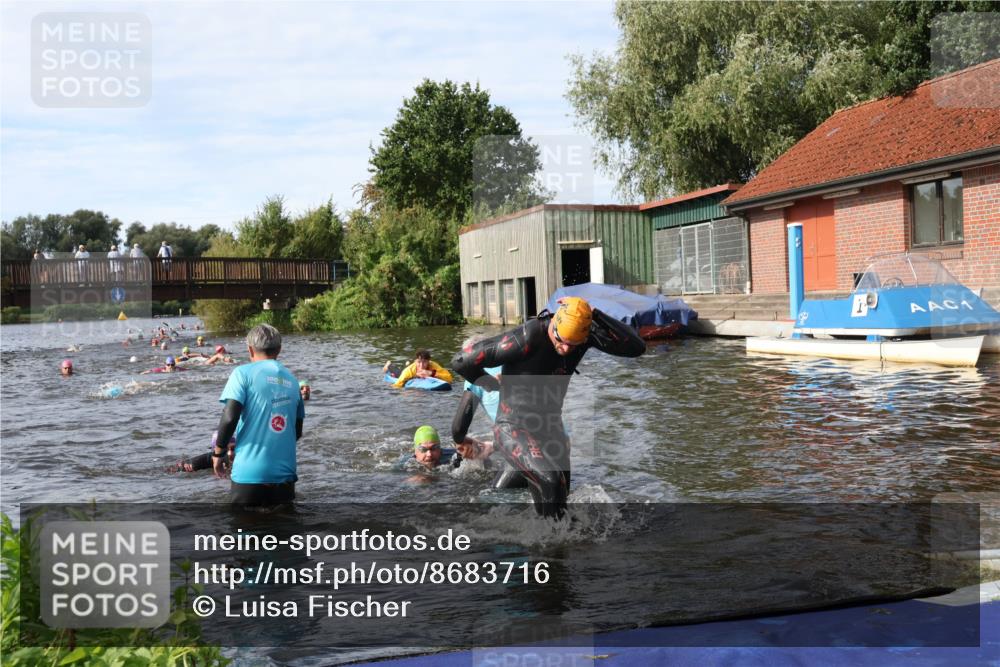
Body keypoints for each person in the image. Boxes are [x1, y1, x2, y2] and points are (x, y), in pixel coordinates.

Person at [451, 297, 645, 518]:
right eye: (561, 340)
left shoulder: (583, 337)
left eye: (573, 345)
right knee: (551, 480)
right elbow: (461, 362)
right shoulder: (526, 338)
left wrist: (595, 314)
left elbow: (636, 348)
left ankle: (550, 547)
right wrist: (491, 385)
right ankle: (551, 546)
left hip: (551, 430)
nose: (565, 349)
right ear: (555, 324)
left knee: (560, 499)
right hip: (513, 427)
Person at [212, 323, 304, 506]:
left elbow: (230, 417)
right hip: (285, 475)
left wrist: (219, 452)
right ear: (279, 349)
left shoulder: (242, 374)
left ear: (250, 349)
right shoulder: (293, 381)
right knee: (282, 531)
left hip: (249, 474)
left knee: (242, 531)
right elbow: (297, 431)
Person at [167, 432, 236, 473]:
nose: (230, 453)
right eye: (225, 450)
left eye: (233, 448)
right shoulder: (197, 462)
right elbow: (172, 469)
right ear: (215, 450)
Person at [384, 350, 453, 388]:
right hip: (408, 373)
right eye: (419, 362)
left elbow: (449, 378)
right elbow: (397, 385)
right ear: (416, 361)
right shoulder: (409, 370)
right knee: (398, 373)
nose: (421, 365)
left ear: (428, 361)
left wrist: (432, 373)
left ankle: (407, 363)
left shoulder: (433, 365)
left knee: (407, 366)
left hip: (413, 368)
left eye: (425, 362)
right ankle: (388, 365)